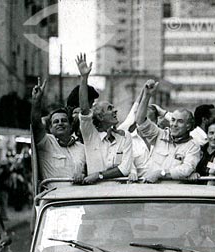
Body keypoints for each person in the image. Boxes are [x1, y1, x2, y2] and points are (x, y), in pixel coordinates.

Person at [76, 53, 133, 184]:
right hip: (95, 197)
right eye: (110, 108)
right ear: (100, 116)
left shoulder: (125, 137)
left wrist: (99, 175)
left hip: (119, 196)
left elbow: (125, 169)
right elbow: (84, 109)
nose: (115, 110)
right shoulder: (90, 135)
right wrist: (84, 78)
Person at [135, 79, 201, 183]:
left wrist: (160, 173)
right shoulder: (160, 135)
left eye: (180, 121)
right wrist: (147, 96)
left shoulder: (193, 146)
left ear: (188, 126)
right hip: (149, 189)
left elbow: (185, 170)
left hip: (172, 194)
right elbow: (140, 121)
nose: (174, 124)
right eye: (173, 120)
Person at [30, 78, 86, 187]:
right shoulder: (46, 143)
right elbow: (36, 124)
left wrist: (83, 175)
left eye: (64, 120)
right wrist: (36, 102)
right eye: (56, 122)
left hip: (77, 198)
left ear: (70, 126)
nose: (60, 123)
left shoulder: (82, 148)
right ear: (50, 128)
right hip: (55, 200)